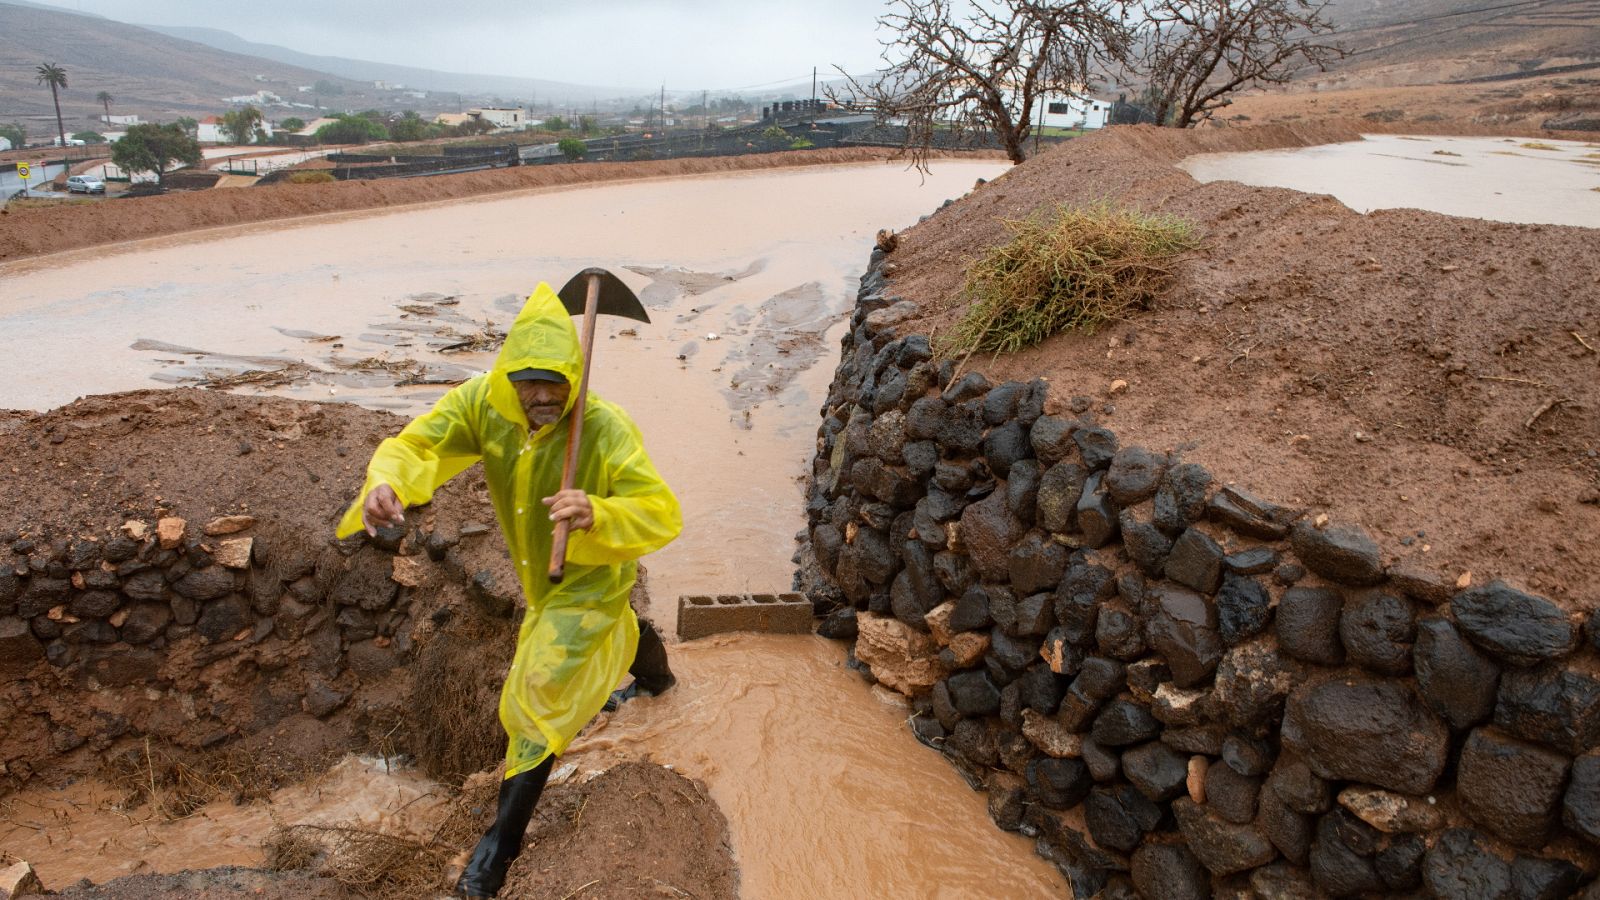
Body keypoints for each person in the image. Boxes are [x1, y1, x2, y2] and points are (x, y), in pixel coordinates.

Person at [335, 282, 682, 898]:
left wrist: (598, 512)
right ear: (506, 379)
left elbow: (658, 511)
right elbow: (419, 442)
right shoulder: (482, 406)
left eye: (555, 382)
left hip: (591, 581)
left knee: (537, 693)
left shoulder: (603, 427)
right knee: (616, 637)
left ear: (574, 375)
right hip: (537, 575)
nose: (544, 397)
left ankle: (496, 850)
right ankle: (657, 676)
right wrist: (386, 482)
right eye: (529, 383)